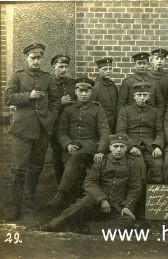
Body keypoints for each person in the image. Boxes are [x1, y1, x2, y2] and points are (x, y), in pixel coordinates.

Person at [42, 134, 143, 234]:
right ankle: (52, 225)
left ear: (126, 148)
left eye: (122, 146)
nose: (118, 149)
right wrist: (102, 199)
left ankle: (88, 228)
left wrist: (127, 206)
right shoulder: (102, 161)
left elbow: (136, 187)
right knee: (80, 205)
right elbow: (90, 182)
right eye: (116, 146)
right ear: (110, 148)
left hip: (116, 205)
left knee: (128, 221)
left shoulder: (132, 163)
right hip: (96, 201)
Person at [3, 43, 60, 219]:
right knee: (20, 168)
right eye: (33, 58)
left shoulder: (47, 78)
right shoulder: (18, 76)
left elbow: (55, 101)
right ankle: (15, 206)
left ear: (42, 59)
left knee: (36, 167)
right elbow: (7, 98)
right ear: (27, 58)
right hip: (23, 129)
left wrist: (50, 118)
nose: (36, 61)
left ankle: (29, 200)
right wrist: (29, 96)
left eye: (39, 58)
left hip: (42, 130)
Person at [46, 77, 111, 209]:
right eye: (80, 91)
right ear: (75, 91)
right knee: (72, 158)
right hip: (72, 147)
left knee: (75, 157)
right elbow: (61, 131)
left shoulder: (97, 109)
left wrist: (100, 150)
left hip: (90, 148)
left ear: (91, 92)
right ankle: (73, 204)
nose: (83, 94)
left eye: (87, 91)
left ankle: (61, 194)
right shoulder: (69, 109)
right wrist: (68, 144)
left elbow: (105, 132)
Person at [116, 82, 164, 185]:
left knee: (158, 166)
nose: (142, 98)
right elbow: (121, 132)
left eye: (145, 95)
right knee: (140, 169)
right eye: (139, 95)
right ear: (134, 96)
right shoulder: (125, 110)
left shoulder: (155, 111)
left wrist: (158, 146)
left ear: (149, 96)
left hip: (150, 147)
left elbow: (160, 131)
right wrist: (131, 146)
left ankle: (154, 197)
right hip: (133, 147)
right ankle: (140, 199)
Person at [50, 54, 76, 185]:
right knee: (57, 155)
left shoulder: (72, 83)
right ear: (54, 66)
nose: (63, 70)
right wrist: (60, 102)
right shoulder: (48, 83)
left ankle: (69, 186)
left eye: (66, 67)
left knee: (70, 155)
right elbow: (43, 106)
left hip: (70, 126)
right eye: (60, 66)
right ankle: (59, 185)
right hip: (55, 126)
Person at [92, 57, 118, 133]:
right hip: (102, 124)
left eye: (110, 69)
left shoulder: (113, 85)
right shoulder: (95, 86)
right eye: (105, 69)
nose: (108, 71)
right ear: (99, 70)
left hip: (114, 123)